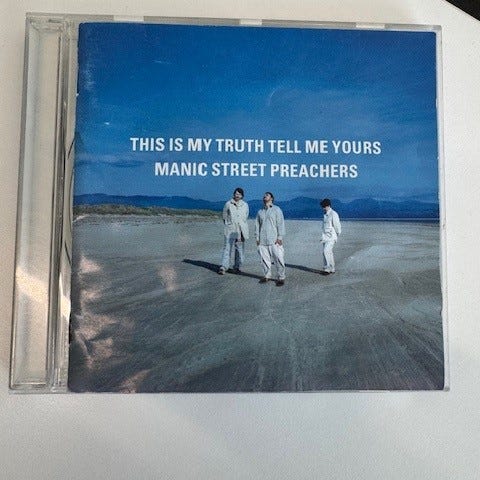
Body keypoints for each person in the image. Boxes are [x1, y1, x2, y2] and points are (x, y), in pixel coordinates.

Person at [255, 192, 286, 286]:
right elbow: (257, 225)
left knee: (279, 258)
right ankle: (267, 276)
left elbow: (280, 223)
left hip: (274, 239)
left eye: (267, 195)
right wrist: (257, 237)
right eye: (264, 195)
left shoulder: (276, 209)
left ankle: (281, 277)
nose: (265, 196)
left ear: (271, 198)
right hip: (262, 239)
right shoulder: (260, 212)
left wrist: (280, 237)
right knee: (264, 260)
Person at [218, 187, 249, 275]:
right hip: (230, 229)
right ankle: (224, 267)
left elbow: (245, 217)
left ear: (242, 196)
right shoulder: (228, 204)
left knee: (239, 249)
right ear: (233, 194)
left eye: (239, 194)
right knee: (227, 248)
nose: (237, 195)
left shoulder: (245, 205)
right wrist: (228, 224)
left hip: (241, 230)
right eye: (236, 193)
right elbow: (224, 216)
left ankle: (237, 267)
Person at [319, 198, 341, 275]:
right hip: (325, 237)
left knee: (326, 251)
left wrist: (337, 233)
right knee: (329, 252)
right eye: (322, 207)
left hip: (331, 236)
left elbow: (337, 225)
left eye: (324, 206)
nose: (323, 208)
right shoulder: (325, 214)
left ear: (328, 206)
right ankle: (332, 268)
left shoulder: (333, 214)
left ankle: (327, 269)